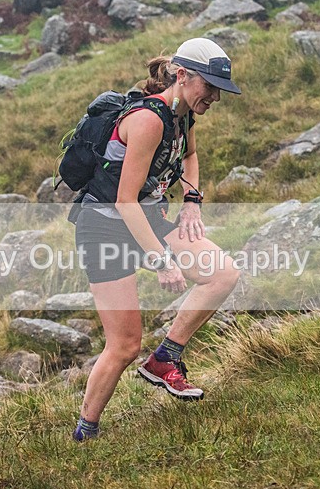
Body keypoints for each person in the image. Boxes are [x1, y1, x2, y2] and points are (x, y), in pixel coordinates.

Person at [71, 38, 242, 441]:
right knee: (124, 344)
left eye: (220, 89)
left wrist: (193, 202)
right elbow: (125, 200)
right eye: (210, 86)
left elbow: (190, 157)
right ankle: (85, 432)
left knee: (222, 274)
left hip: (148, 218)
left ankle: (165, 358)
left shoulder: (184, 115)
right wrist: (162, 260)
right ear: (182, 76)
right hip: (104, 226)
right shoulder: (149, 120)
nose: (215, 97)